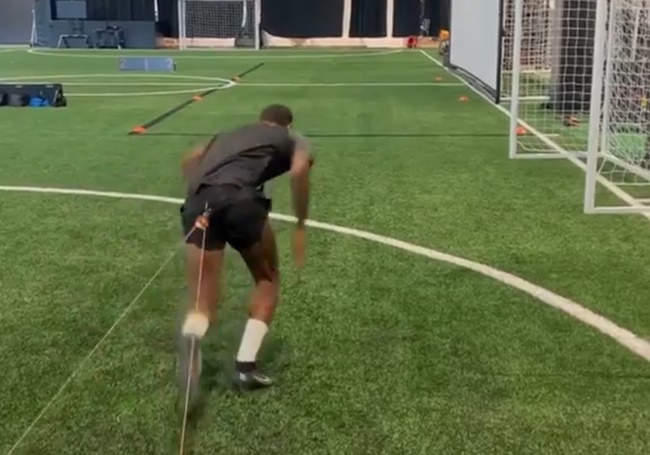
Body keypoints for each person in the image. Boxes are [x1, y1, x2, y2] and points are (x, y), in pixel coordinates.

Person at [177, 104, 313, 392]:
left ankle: (193, 335)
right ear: (287, 125)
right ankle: (245, 368)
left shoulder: (227, 135)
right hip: (241, 202)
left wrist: (199, 194)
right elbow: (300, 168)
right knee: (267, 279)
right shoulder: (292, 138)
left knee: (202, 295)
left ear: (260, 121)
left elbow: (190, 158)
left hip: (199, 202)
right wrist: (301, 222)